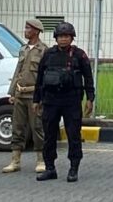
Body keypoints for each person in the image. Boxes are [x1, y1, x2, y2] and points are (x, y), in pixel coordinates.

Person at [34, 21, 95, 180]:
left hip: (72, 101)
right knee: (49, 135)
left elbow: (88, 77)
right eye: (60, 36)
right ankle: (50, 168)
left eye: (66, 36)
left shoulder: (79, 55)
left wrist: (90, 98)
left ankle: (73, 168)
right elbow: (40, 78)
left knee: (73, 135)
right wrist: (36, 99)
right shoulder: (48, 54)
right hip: (51, 101)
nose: (63, 39)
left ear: (72, 38)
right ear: (56, 38)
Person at [2, 19, 47, 175]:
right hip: (20, 93)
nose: (26, 30)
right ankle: (15, 160)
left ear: (36, 31)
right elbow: (18, 71)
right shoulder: (24, 49)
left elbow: (44, 75)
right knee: (17, 127)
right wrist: (13, 92)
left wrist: (41, 96)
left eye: (28, 28)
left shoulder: (43, 51)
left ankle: (41, 159)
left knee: (37, 127)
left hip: (34, 94)